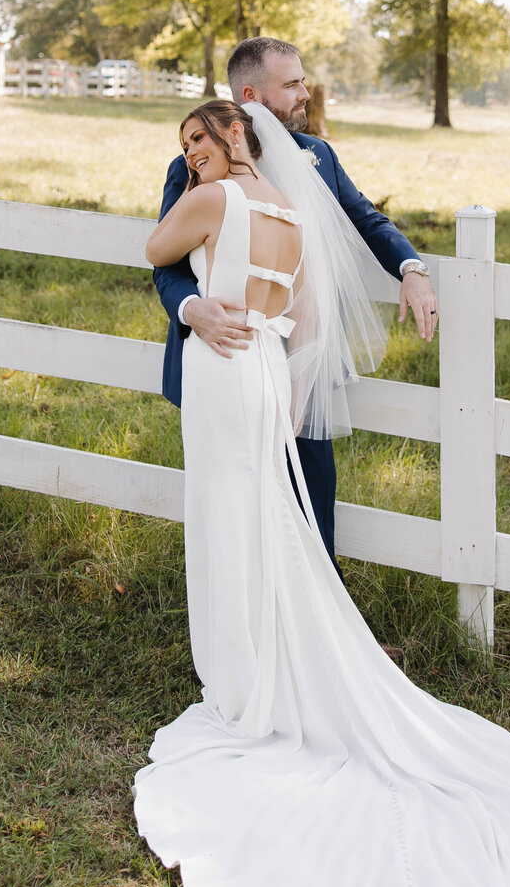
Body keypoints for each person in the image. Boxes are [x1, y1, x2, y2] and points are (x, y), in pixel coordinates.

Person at [135, 97, 510, 887]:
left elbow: (153, 250)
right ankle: (263, 660)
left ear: (237, 135)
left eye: (201, 138)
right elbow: (306, 312)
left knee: (228, 515)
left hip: (224, 369)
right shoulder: (290, 211)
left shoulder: (211, 200)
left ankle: (240, 683)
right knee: (264, 519)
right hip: (271, 368)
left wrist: (200, 293)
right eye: (186, 145)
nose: (192, 153)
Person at [152, 37, 438, 564]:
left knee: (313, 487)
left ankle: (319, 618)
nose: (305, 93)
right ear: (251, 95)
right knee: (238, 487)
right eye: (292, 84)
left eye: (302, 81)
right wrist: (194, 310)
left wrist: (411, 268)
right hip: (230, 351)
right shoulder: (194, 161)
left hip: (304, 352)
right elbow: (165, 262)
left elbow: (366, 218)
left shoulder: (319, 155)